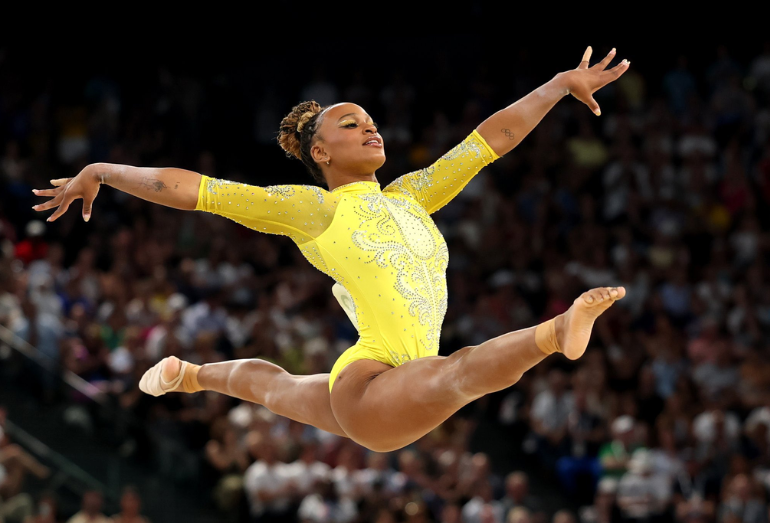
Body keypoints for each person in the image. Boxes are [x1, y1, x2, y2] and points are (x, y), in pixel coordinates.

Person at [33, 48, 630, 453]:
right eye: (350, 125)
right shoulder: (316, 210)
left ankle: (188, 376)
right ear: (319, 153)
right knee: (460, 371)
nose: (370, 128)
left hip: (386, 385)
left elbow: (489, 140)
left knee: (270, 386)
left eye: (371, 121)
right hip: (376, 384)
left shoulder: (412, 197)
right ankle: (557, 332)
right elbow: (195, 190)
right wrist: (103, 171)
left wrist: (556, 85)